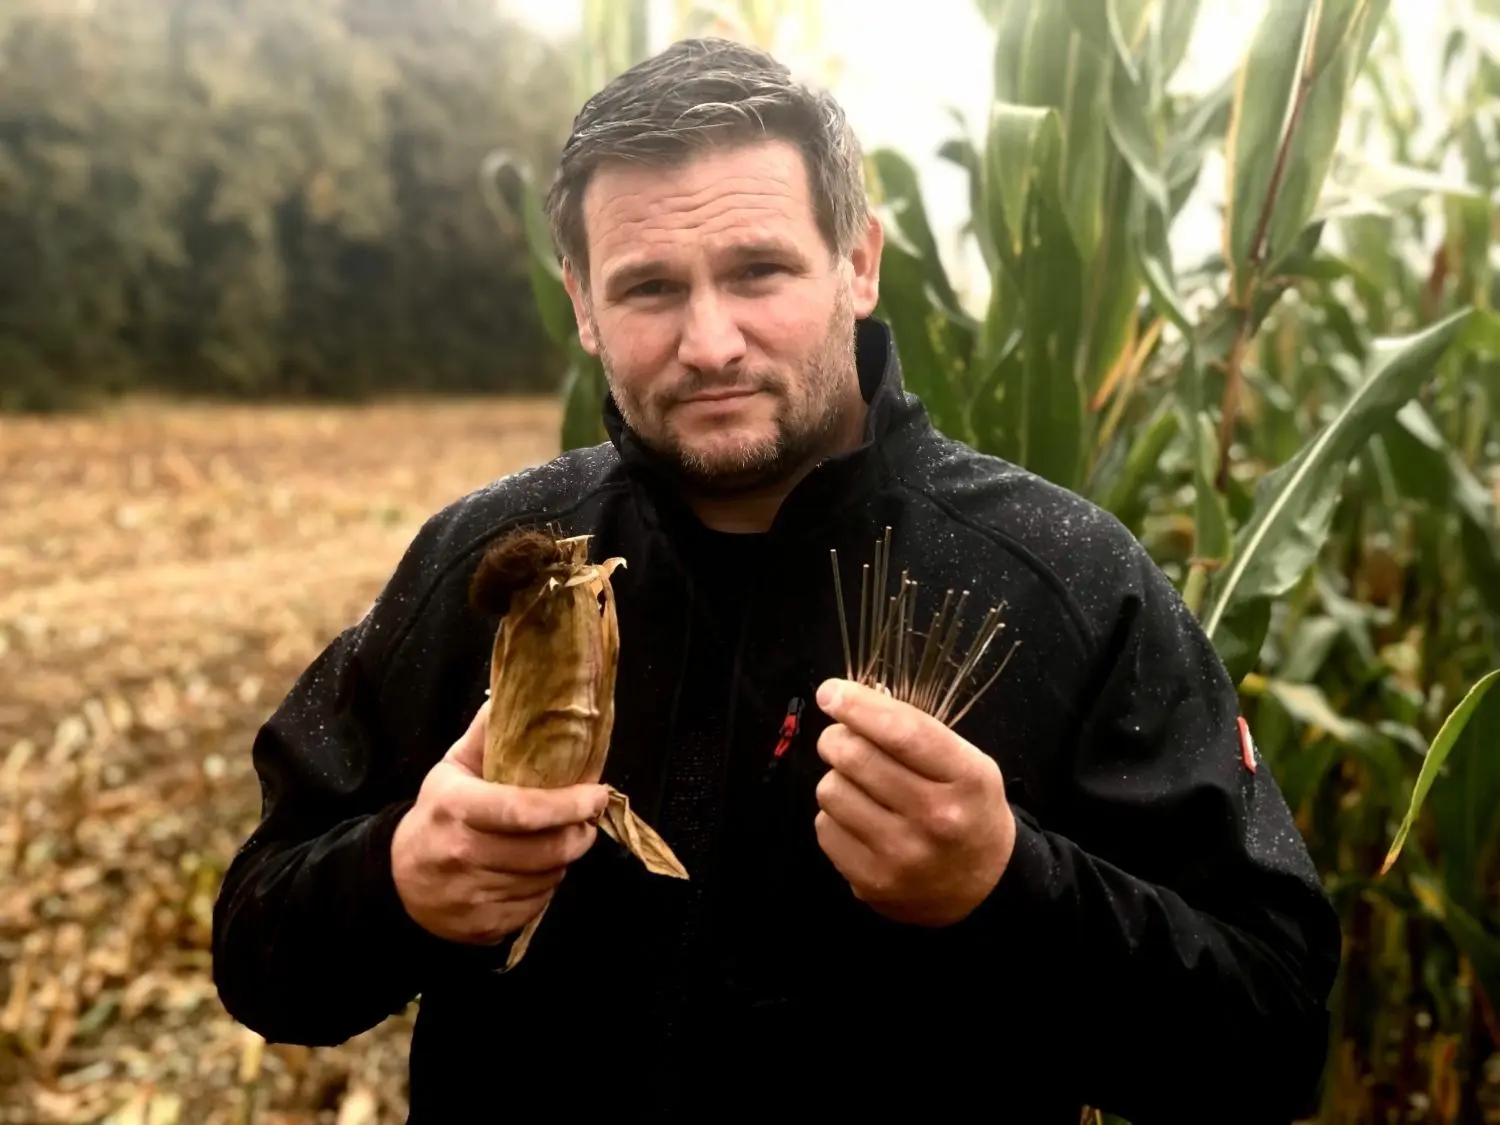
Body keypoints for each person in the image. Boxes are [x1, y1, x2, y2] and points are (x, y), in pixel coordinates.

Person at [212, 36, 1343, 1124]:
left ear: (859, 264)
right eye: (649, 288)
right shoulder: (491, 563)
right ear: (582, 305)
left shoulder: (1067, 583)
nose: (710, 342)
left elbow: (1276, 1037)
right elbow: (258, 952)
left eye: (759, 271)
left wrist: (1008, 884)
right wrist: (398, 883)